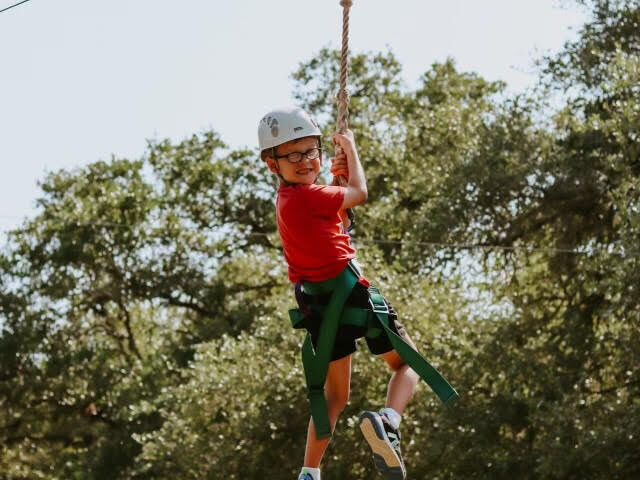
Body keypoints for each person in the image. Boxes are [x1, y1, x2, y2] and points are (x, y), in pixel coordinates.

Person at [258, 107, 420, 480]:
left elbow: (338, 219)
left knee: (334, 398)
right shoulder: (309, 197)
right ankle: (389, 422)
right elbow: (359, 194)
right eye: (292, 155)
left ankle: (309, 472)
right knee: (406, 364)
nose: (304, 161)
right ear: (273, 165)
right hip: (353, 298)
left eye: (310, 151)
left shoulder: (289, 202)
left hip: (320, 308)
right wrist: (351, 149)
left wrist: (336, 174)